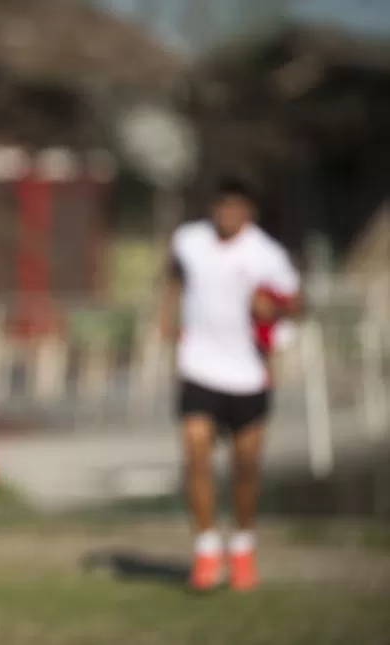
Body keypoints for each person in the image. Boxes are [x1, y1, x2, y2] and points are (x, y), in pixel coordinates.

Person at [159, 177, 301, 592]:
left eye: (236, 208)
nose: (227, 215)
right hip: (199, 368)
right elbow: (172, 275)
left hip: (248, 375)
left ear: (249, 212)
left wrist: (272, 308)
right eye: (221, 207)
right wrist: (167, 318)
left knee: (245, 468)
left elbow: (296, 303)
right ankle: (206, 549)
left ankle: (241, 545)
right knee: (197, 457)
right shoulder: (189, 240)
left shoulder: (267, 254)